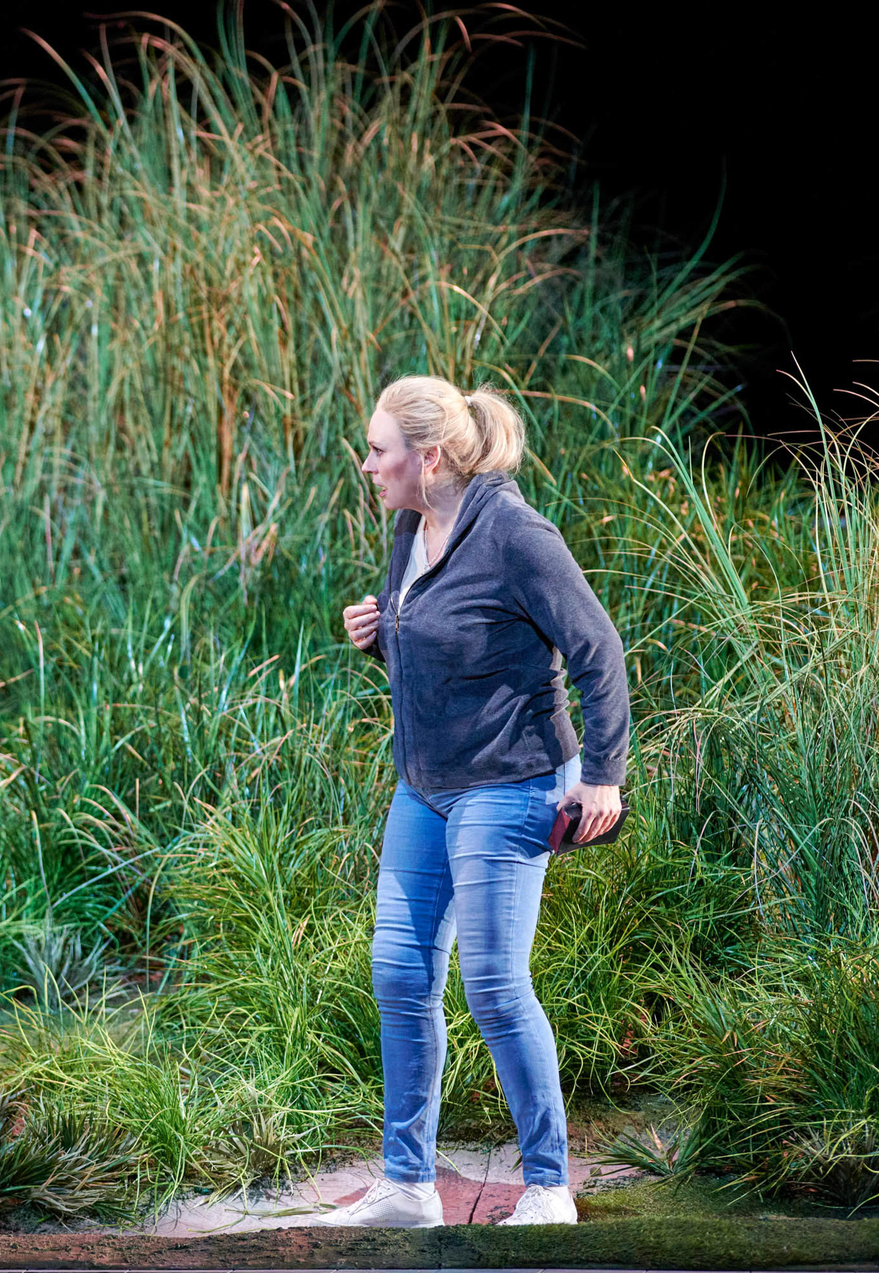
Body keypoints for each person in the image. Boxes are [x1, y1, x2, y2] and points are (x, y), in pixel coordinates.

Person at [316, 376, 629, 1229]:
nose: (368, 464)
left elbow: (599, 651)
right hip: (424, 787)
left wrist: (603, 776)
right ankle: (409, 1187)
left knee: (492, 983)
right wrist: (382, 640)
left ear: (431, 456)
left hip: (512, 780)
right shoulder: (411, 528)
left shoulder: (516, 535)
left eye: (379, 450)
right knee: (400, 973)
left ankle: (548, 1187)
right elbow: (447, 658)